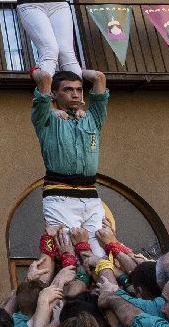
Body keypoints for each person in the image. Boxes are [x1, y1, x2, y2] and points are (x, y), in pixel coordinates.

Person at [31, 67, 116, 269]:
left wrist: (76, 69)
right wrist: (40, 77)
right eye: (68, 89)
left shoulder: (92, 118)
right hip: (59, 196)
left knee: (100, 256)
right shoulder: (47, 118)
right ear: (54, 94)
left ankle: (99, 295)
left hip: (90, 196)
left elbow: (99, 77)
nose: (76, 93)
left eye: (79, 89)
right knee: (70, 256)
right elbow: (43, 79)